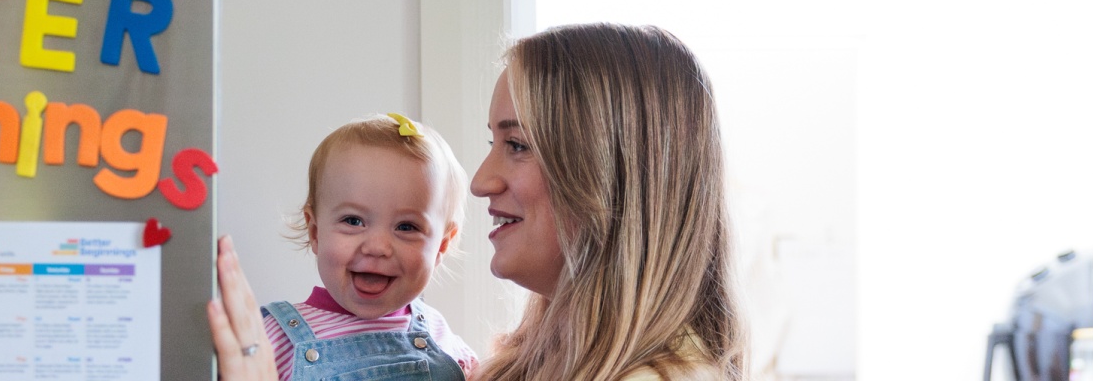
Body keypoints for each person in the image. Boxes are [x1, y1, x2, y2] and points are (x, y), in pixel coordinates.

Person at [210, 23, 741, 380]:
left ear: (608, 173)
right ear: (314, 226)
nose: (482, 181)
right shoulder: (534, 361)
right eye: (493, 143)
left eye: (516, 145)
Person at [257, 114, 479, 379]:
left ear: (441, 247)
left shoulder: (439, 333)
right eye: (353, 221)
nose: (377, 247)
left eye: (406, 227)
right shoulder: (273, 339)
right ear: (315, 232)